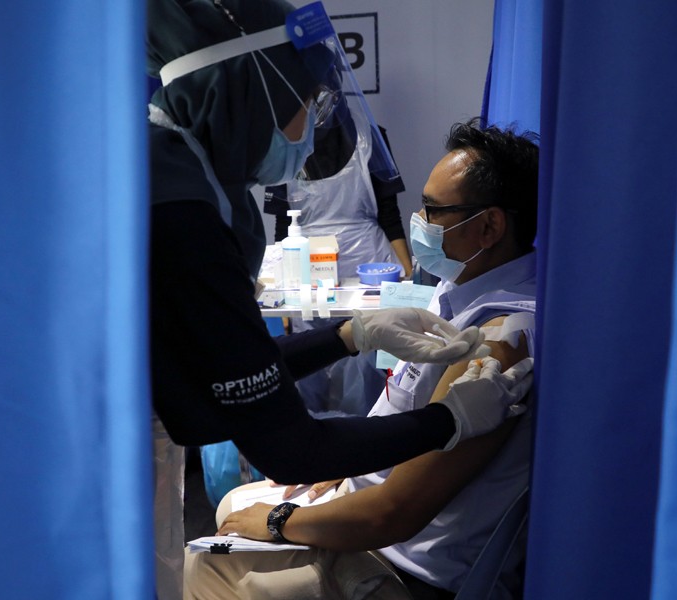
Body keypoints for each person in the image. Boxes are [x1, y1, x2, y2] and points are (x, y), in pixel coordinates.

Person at [185, 119, 540, 600]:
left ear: (490, 226)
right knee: (234, 505)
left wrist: (280, 520)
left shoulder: (500, 338)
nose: (418, 221)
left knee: (208, 560)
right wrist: (352, 343)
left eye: (433, 211)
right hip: (374, 523)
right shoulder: (457, 292)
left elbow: (394, 512)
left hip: (401, 565)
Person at [263, 103, 410, 417]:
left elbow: (390, 216)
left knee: (369, 359)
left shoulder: (370, 137)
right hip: (304, 268)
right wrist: (280, 291)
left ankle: (373, 445)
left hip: (370, 266)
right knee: (310, 363)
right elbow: (281, 228)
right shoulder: (283, 143)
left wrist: (409, 280)